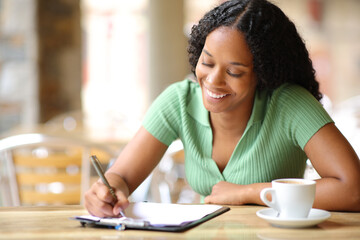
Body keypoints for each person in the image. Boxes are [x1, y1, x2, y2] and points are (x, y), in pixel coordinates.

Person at [84, 0, 360, 217]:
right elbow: (121, 176)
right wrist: (107, 190)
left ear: (262, 74)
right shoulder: (179, 101)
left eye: (235, 72)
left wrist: (247, 192)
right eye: (207, 62)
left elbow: (353, 189)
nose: (213, 80)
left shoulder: (290, 104)